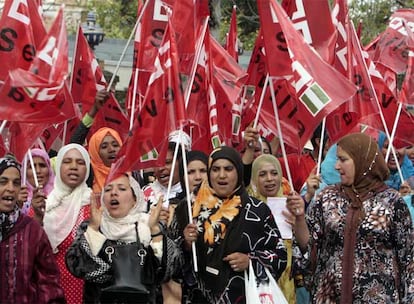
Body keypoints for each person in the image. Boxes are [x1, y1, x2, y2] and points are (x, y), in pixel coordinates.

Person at [288, 132, 414, 303]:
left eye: (343, 159)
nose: (337, 166)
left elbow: (408, 260)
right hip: (330, 297)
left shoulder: (392, 202)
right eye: (337, 159)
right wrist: (300, 219)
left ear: (363, 161)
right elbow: (310, 250)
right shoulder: (326, 198)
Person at [183, 146, 287, 303]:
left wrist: (250, 261)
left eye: (228, 169)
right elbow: (170, 265)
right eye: (216, 169)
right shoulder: (190, 209)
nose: (222, 175)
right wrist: (186, 244)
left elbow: (280, 255)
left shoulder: (257, 210)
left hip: (244, 296)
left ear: (238, 171)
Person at [66, 173, 178, 303]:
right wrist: (93, 230)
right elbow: (75, 266)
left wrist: (155, 232)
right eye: (108, 189)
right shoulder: (92, 225)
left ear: (135, 198)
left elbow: (167, 271)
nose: (113, 193)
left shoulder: (148, 225)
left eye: (122, 188)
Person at [0, 157, 65, 303]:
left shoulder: (32, 230)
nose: (10, 188)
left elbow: (49, 284)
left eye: (16, 183)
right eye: (3, 182)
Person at [41, 143, 93, 303]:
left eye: (80, 162)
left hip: (86, 290)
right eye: (67, 161)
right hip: (49, 289)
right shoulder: (44, 205)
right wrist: (37, 216)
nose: (73, 167)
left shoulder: (95, 204)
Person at [248, 154, 296, 303]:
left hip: (287, 283)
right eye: (262, 174)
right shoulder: (248, 208)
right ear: (254, 178)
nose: (270, 178)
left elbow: (304, 247)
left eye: (274, 173)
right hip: (259, 284)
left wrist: (299, 222)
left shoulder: (291, 204)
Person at [18, 148, 55, 218]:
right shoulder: (19, 198)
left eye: (42, 165)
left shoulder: (59, 194)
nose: (37, 171)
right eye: (31, 167)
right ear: (24, 171)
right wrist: (18, 206)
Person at [88, 127, 122, 194]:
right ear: (95, 152)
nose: (111, 149)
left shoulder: (131, 173)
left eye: (115, 145)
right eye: (104, 147)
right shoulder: (88, 174)